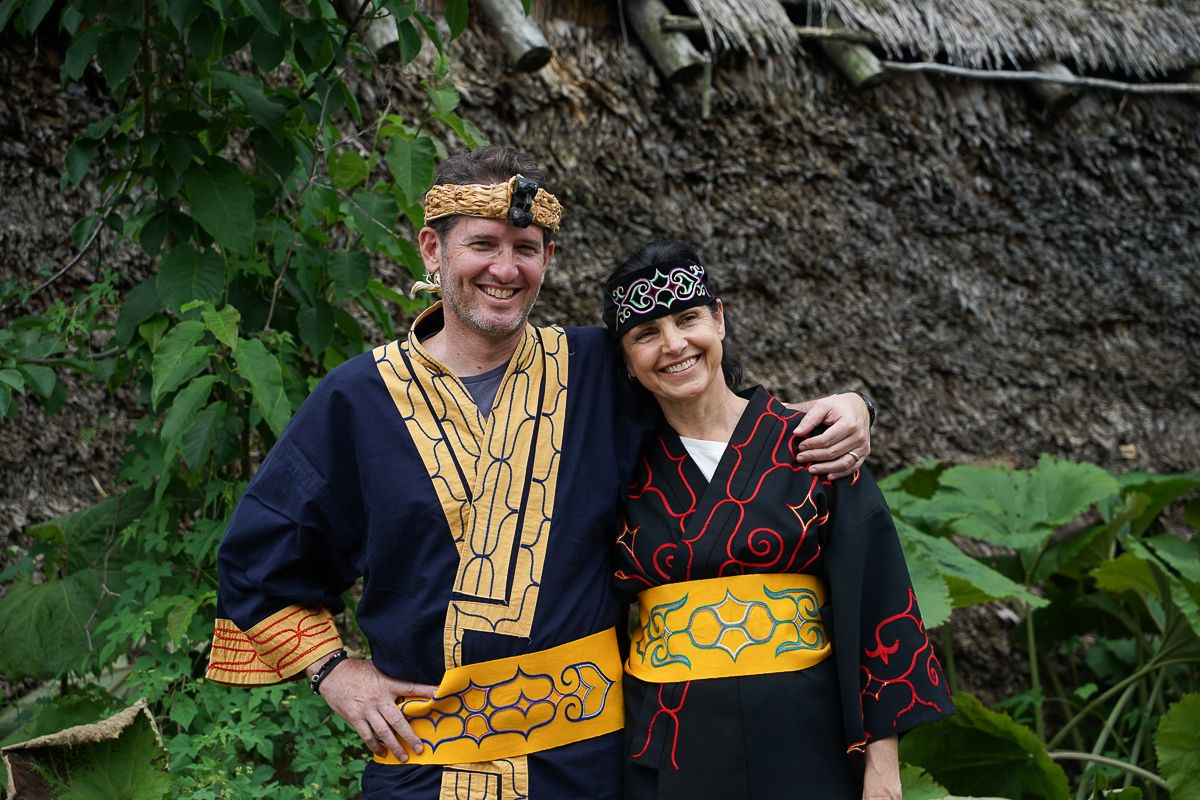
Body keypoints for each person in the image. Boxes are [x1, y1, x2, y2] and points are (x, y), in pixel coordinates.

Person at [205, 146, 874, 800]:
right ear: (433, 250)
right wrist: (331, 670)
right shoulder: (357, 399)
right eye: (483, 244)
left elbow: (716, 408)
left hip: (589, 767)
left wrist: (852, 406)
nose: (505, 268)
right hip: (425, 765)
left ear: (547, 260)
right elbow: (259, 559)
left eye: (525, 247)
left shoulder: (599, 371)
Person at [603, 240, 954, 800]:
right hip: (669, 747)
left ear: (719, 319)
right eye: (646, 334)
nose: (673, 345)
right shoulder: (617, 468)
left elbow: (879, 602)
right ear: (625, 358)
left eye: (688, 319)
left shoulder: (815, 444)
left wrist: (883, 770)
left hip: (808, 741)